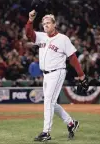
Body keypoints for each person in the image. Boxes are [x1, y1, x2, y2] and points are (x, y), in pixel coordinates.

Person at [25, 10, 89, 141]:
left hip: (57, 72)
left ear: (54, 24)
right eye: (44, 23)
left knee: (48, 101)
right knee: (51, 103)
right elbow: (29, 34)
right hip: (46, 74)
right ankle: (71, 123)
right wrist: (30, 20)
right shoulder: (41, 36)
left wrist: (81, 75)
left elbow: (72, 58)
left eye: (48, 23)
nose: (45, 25)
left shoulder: (63, 39)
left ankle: (46, 132)